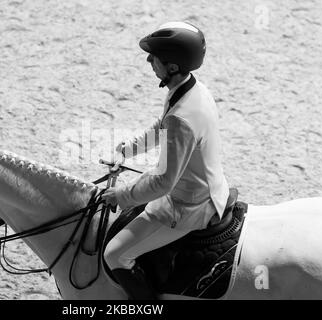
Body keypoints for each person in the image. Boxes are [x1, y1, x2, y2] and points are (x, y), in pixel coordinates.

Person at [101, 21, 230, 300]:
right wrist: (126, 150)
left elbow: (163, 183)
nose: (149, 60)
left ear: (172, 66)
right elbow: (162, 126)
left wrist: (120, 195)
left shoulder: (181, 117)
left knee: (115, 254)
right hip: (208, 186)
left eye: (154, 57)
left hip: (188, 206)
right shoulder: (190, 89)